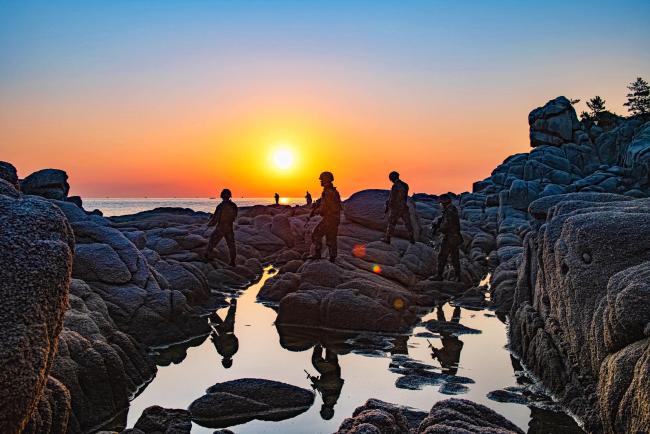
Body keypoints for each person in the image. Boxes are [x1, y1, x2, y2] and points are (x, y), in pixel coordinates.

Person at [308, 172, 342, 262]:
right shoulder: (333, 191)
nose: (320, 182)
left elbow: (325, 207)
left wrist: (315, 211)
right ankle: (332, 258)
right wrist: (318, 204)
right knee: (331, 238)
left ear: (326, 180)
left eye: (321, 180)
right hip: (335, 219)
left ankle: (317, 254)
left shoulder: (327, 192)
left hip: (330, 219)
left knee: (316, 234)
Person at [308, 344, 344, 420]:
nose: (321, 409)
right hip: (330, 371)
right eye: (322, 411)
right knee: (316, 361)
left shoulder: (330, 401)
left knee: (331, 349)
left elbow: (326, 388)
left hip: (334, 370)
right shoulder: (330, 401)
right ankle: (317, 343)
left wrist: (317, 385)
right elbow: (333, 383)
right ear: (327, 411)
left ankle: (330, 340)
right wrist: (317, 383)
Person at [431, 193, 462, 281]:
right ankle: (457, 276)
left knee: (442, 256)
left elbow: (447, 225)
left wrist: (438, 229)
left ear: (444, 203)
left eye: (441, 203)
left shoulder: (449, 211)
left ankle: (439, 275)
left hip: (450, 238)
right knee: (454, 257)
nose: (440, 205)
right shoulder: (450, 209)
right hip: (454, 237)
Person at [205, 188, 238, 266]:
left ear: (221, 196)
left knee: (212, 242)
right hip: (229, 228)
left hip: (221, 228)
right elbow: (234, 216)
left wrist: (210, 224)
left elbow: (216, 218)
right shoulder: (233, 205)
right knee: (231, 245)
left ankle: (207, 258)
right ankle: (233, 262)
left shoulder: (220, 206)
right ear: (230, 196)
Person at [428, 305, 463, 376]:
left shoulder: (453, 365)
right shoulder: (448, 366)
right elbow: (445, 356)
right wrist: (436, 352)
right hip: (450, 343)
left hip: (453, 344)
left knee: (454, 324)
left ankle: (457, 308)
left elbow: (445, 353)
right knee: (443, 326)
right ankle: (440, 308)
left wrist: (437, 353)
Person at [382, 171, 415, 244]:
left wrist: (388, 205)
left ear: (393, 178)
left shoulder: (395, 186)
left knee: (391, 223)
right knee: (408, 223)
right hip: (404, 207)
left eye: (391, 179)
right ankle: (411, 238)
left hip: (396, 208)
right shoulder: (405, 185)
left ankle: (388, 239)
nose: (391, 180)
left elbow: (393, 198)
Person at [209, 299, 239, 369]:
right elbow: (215, 341)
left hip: (226, 329)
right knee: (212, 314)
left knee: (231, 312)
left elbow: (236, 339)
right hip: (224, 330)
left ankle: (233, 298)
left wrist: (229, 335)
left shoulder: (234, 350)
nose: (225, 359)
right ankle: (233, 297)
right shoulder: (222, 352)